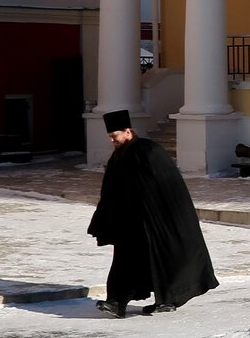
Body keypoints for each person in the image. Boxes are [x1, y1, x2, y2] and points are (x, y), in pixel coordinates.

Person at [88, 109, 219, 318]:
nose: (112, 140)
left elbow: (167, 185)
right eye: (110, 137)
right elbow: (111, 188)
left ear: (128, 132)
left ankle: (165, 300)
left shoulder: (149, 150)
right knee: (125, 262)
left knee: (161, 258)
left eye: (115, 135)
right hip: (130, 222)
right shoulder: (119, 155)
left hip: (155, 220)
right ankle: (117, 302)